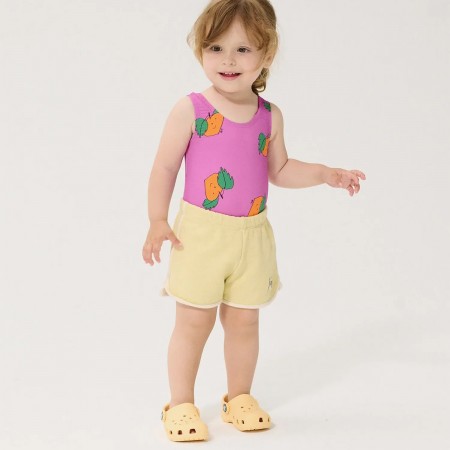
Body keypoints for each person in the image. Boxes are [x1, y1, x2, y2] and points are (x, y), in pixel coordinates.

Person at [142, 0, 366, 442]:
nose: (228, 60)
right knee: (193, 322)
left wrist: (325, 174)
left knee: (245, 322)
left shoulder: (269, 116)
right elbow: (164, 167)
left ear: (267, 54)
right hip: (200, 236)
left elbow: (279, 170)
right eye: (216, 47)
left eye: (243, 49)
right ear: (200, 50)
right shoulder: (191, 109)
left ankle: (239, 397)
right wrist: (156, 219)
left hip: (252, 237)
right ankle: (181, 403)